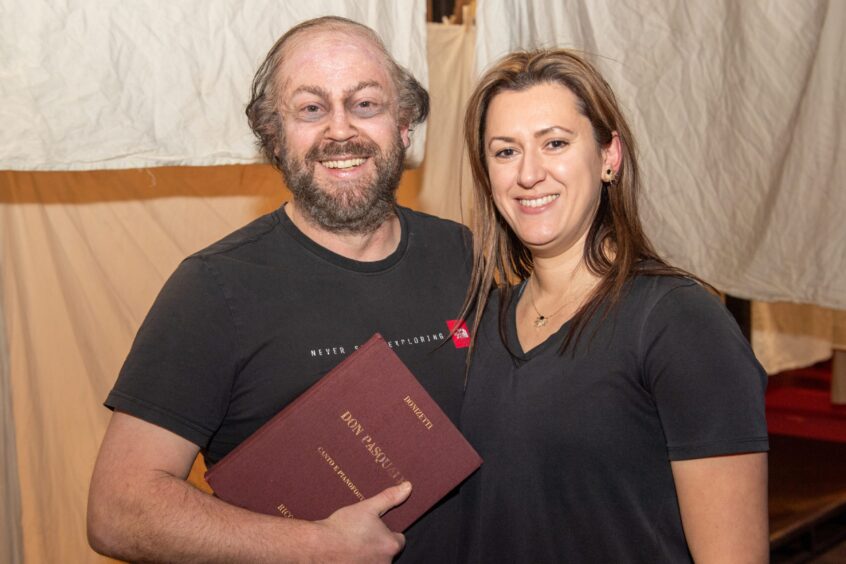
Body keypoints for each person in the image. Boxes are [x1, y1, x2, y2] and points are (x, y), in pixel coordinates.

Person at [87, 16, 471, 563]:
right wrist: (312, 546)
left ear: (404, 125)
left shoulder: (464, 255)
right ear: (274, 136)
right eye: (311, 109)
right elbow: (117, 510)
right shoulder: (214, 289)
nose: (341, 131)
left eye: (365, 104)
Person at [456, 49, 769, 562]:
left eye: (555, 143)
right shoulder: (482, 322)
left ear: (609, 156)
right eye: (505, 152)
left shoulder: (678, 322)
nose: (529, 174)